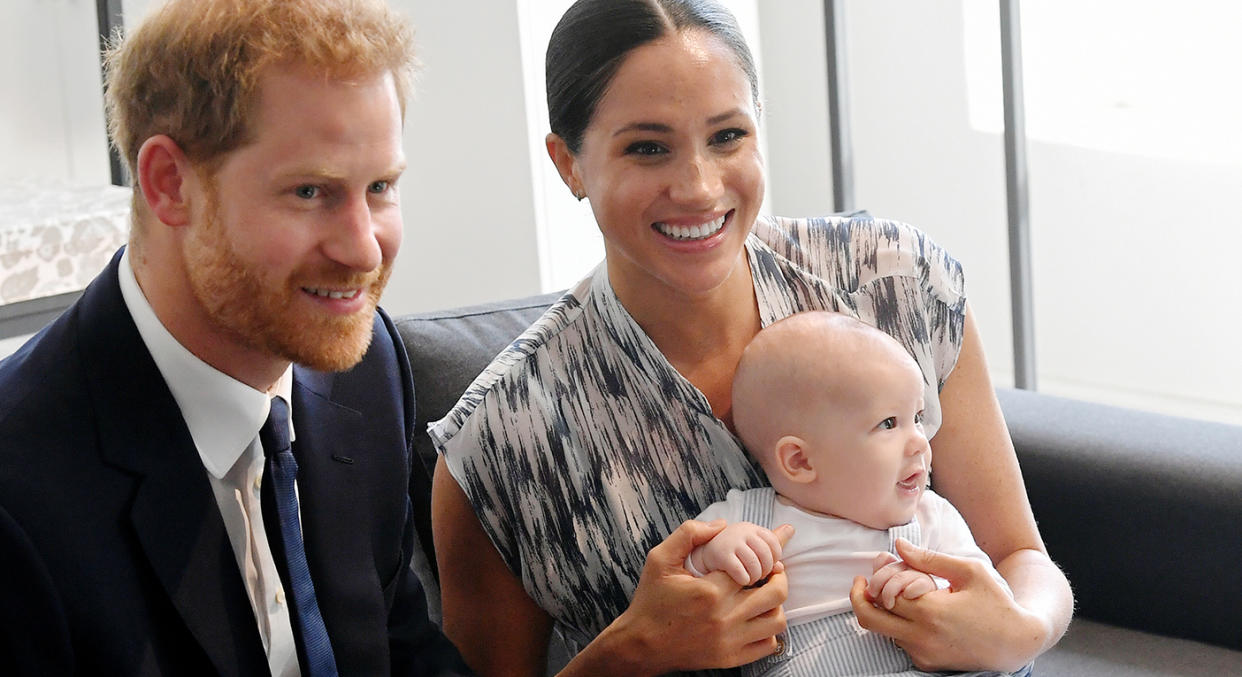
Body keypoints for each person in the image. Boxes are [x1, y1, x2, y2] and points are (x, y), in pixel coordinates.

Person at [430, 0, 1072, 675]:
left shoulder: (894, 281)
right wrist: (631, 651)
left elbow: (1020, 557)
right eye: (647, 147)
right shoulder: (501, 444)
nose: (700, 187)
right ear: (569, 165)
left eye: (728, 136)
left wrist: (1020, 629)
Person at [0, 0, 472, 675]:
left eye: (381, 187)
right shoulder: (19, 501)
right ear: (170, 184)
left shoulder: (365, 370)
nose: (364, 250)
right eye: (310, 191)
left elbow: (402, 651)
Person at [686, 311, 1031, 677]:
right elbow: (678, 585)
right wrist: (713, 554)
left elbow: (991, 599)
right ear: (800, 460)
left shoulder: (932, 518)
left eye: (917, 416)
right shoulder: (745, 520)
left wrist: (935, 586)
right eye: (888, 423)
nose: (919, 440)